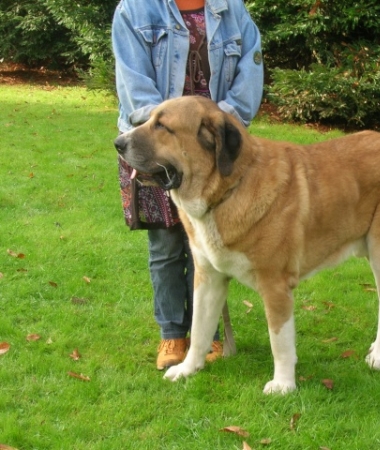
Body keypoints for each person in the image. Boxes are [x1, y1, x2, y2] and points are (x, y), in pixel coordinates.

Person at [111, 0, 264, 370]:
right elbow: (134, 85)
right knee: (165, 245)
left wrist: (214, 126)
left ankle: (206, 336)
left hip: (214, 150)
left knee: (210, 246)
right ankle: (171, 336)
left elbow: (250, 76)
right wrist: (170, 128)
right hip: (154, 146)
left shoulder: (232, 11)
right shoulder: (134, 10)